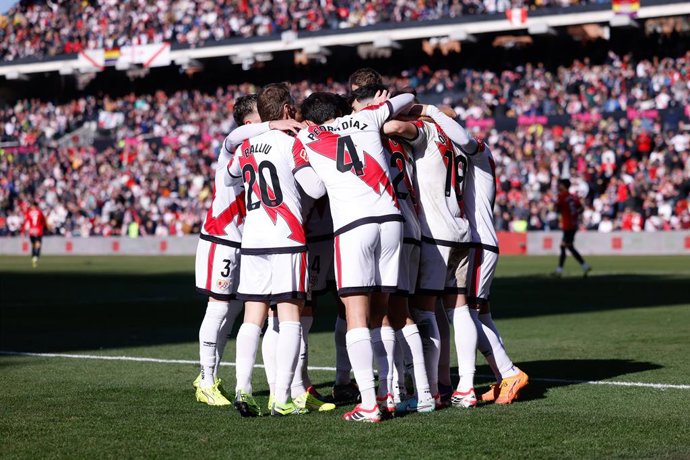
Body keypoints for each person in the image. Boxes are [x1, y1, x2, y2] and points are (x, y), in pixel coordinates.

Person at [298, 90, 414, 422]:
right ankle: (390, 392)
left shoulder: (307, 136)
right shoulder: (367, 116)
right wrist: (373, 105)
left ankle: (368, 403)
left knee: (356, 316)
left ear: (310, 118)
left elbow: (315, 189)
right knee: (382, 314)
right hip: (391, 221)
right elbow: (406, 96)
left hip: (353, 226)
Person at [193, 94, 304, 406]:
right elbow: (232, 137)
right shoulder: (235, 146)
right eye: (260, 120)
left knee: (246, 311)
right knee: (219, 307)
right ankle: (206, 379)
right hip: (222, 236)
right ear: (249, 123)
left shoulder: (259, 148)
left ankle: (263, 385)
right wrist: (273, 124)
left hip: (251, 241)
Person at [421, 107, 529, 405]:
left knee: (465, 313)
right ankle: (500, 376)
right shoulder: (461, 153)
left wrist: (430, 112)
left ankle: (509, 372)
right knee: (481, 315)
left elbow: (462, 135)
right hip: (476, 240)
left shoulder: (476, 150)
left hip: (477, 242)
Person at [229, 83, 326, 417]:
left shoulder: (245, 146)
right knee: (289, 318)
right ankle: (281, 397)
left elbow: (231, 177)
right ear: (287, 111)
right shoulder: (291, 143)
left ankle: (243, 388)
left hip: (253, 239)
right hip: (286, 237)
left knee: (252, 318)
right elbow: (315, 186)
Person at [348, 84, 434, 414]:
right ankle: (422, 390)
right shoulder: (403, 133)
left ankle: (393, 390)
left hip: (387, 222)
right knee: (402, 312)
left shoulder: (368, 132)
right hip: (410, 225)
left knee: (385, 314)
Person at [554, 178, 591, 277]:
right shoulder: (573, 197)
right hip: (574, 224)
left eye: (560, 185)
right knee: (568, 246)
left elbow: (556, 209)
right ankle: (584, 266)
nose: (559, 186)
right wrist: (574, 215)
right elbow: (581, 208)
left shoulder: (561, 196)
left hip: (567, 225)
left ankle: (559, 270)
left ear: (564, 186)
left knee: (564, 246)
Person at [23, 200, 46, 268]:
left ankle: (33, 257)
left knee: (33, 245)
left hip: (31, 231)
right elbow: (43, 221)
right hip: (38, 230)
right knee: (38, 244)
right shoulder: (40, 212)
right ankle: (36, 256)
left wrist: (23, 231)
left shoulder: (28, 213)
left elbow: (26, 221)